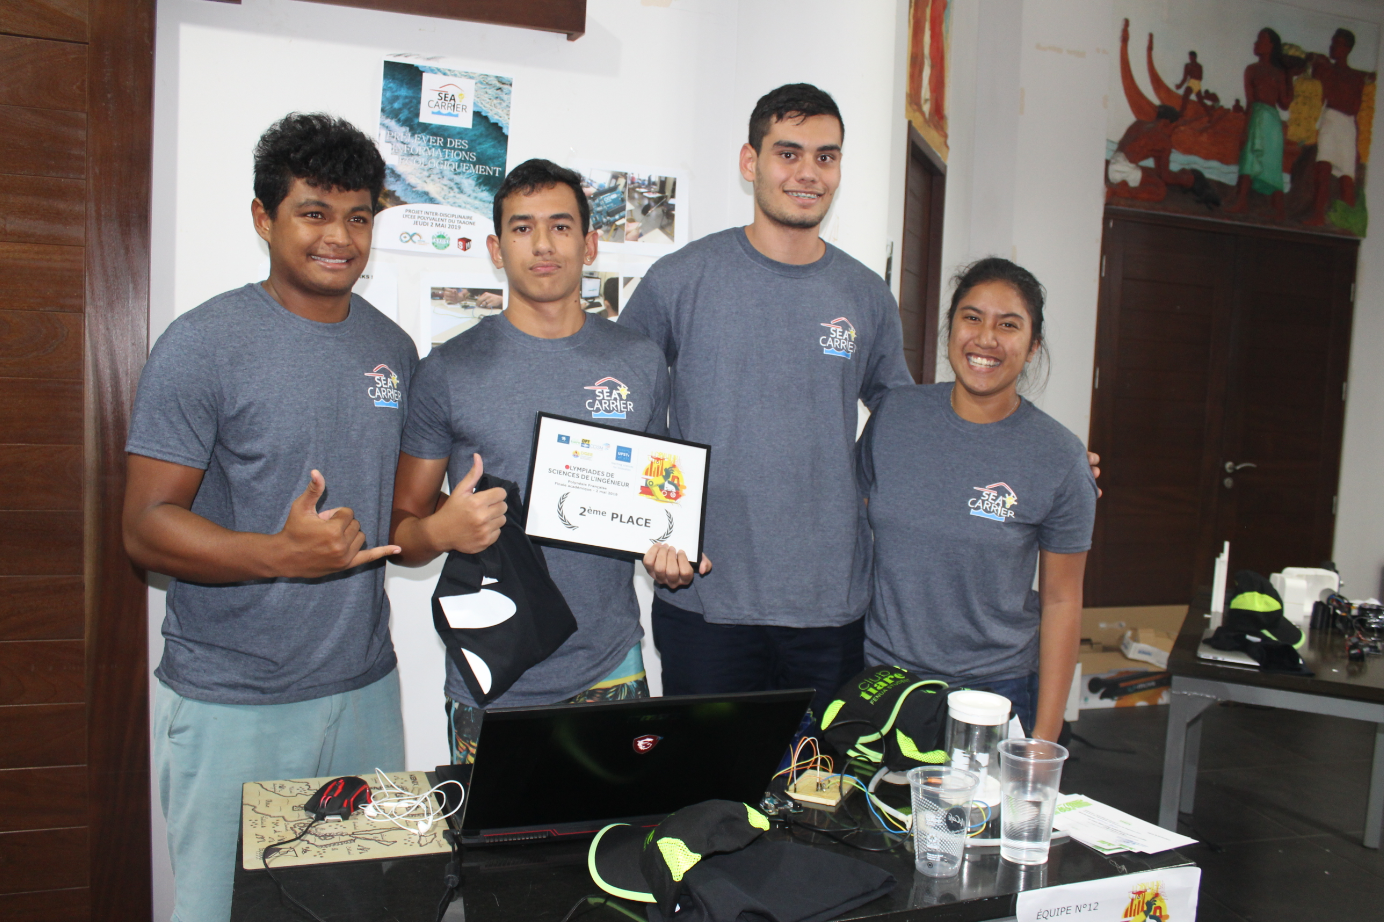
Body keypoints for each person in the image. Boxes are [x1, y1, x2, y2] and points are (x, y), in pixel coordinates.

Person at [123, 113, 415, 922]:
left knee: (358, 908)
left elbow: (394, 516)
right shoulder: (204, 344)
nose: (340, 237)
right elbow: (144, 527)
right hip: (232, 700)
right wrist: (283, 553)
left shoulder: (392, 347)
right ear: (264, 218)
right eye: (314, 213)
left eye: (359, 216)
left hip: (362, 690)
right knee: (223, 911)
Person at [390, 159, 707, 764]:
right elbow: (401, 528)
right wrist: (438, 529)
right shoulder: (448, 371)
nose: (542, 245)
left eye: (561, 227)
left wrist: (673, 548)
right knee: (493, 857)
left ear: (589, 244)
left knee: (612, 849)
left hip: (610, 664)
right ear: (495, 247)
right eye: (521, 228)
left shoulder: (639, 361)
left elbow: (655, 495)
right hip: (495, 671)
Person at [618, 84, 913, 724]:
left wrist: (1020, 454)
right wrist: (652, 524)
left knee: (820, 800)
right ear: (751, 162)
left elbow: (905, 420)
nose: (808, 173)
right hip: (704, 596)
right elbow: (624, 405)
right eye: (789, 153)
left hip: (830, 602)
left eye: (826, 157)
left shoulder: (864, 295)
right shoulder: (681, 279)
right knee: (708, 796)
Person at [855, 259, 1096, 741]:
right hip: (884, 681)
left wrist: (1043, 743)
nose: (986, 338)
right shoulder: (896, 416)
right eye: (972, 317)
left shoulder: (1059, 456)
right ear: (950, 329)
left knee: (978, 818)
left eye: (1009, 325)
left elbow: (1063, 601)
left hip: (993, 691)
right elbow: (854, 526)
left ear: (1032, 347)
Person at [1305, 29, 1375, 226]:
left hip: (1348, 125)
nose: (1332, 47)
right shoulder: (1326, 68)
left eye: (1338, 43)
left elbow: (1357, 109)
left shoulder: (1356, 77)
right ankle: (1318, 215)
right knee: (1323, 169)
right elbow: (1315, 70)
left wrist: (1358, 145)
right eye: (1332, 43)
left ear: (1347, 48)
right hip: (1331, 118)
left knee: (1347, 175)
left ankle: (1348, 219)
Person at [1226, 28, 1291, 217]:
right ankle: (1242, 201)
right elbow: (1250, 100)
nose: (1256, 44)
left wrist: (1290, 77)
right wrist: (1245, 130)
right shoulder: (1252, 70)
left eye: (1260, 40)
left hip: (1272, 122)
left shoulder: (1279, 73)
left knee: (1272, 163)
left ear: (1271, 45)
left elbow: (1285, 103)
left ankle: (1279, 209)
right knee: (1249, 157)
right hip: (1257, 116)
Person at [1107, 104, 1195, 203]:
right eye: (1174, 127)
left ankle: (1121, 186)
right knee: (1160, 190)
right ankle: (1117, 190)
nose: (1173, 132)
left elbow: (1158, 172)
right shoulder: (1164, 141)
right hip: (1124, 171)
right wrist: (1183, 180)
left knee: (1150, 176)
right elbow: (1165, 177)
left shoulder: (1138, 124)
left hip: (1113, 164)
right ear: (1166, 123)